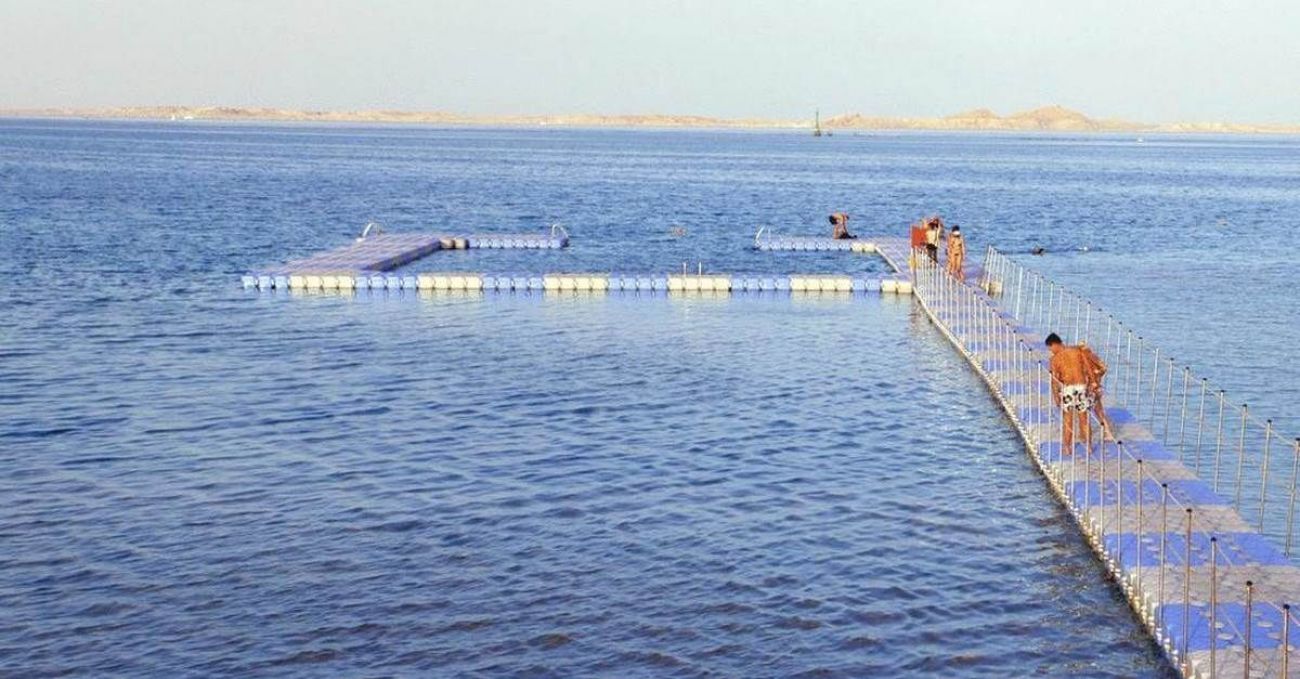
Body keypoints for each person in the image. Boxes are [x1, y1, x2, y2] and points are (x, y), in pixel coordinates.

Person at [1046, 332, 1094, 455]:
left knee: (1068, 419)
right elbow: (1088, 368)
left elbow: (1054, 380)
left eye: (1050, 348)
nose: (1051, 351)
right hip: (1081, 387)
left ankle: (1067, 447)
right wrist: (1093, 382)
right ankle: (1089, 446)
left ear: (1054, 344)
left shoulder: (1054, 359)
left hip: (1068, 389)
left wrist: (1056, 396)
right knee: (1084, 418)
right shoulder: (1077, 351)